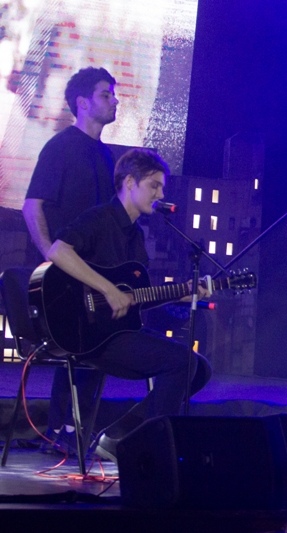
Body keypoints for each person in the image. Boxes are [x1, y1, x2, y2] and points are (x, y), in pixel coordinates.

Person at [45, 148, 212, 463]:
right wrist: (108, 289)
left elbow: (134, 298)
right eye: (154, 185)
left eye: (162, 187)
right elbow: (58, 251)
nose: (161, 194)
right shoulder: (99, 218)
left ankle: (120, 436)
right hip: (88, 334)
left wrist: (182, 293)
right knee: (183, 362)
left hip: (119, 332)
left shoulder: (136, 237)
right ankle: (147, 450)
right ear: (130, 182)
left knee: (200, 368)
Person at [22, 66, 118, 454]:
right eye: (105, 94)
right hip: (63, 273)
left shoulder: (107, 155)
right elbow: (32, 207)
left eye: (113, 93)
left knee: (93, 350)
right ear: (83, 102)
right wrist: (51, 254)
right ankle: (62, 433)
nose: (114, 100)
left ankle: (71, 435)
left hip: (96, 273)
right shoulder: (60, 147)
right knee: (77, 347)